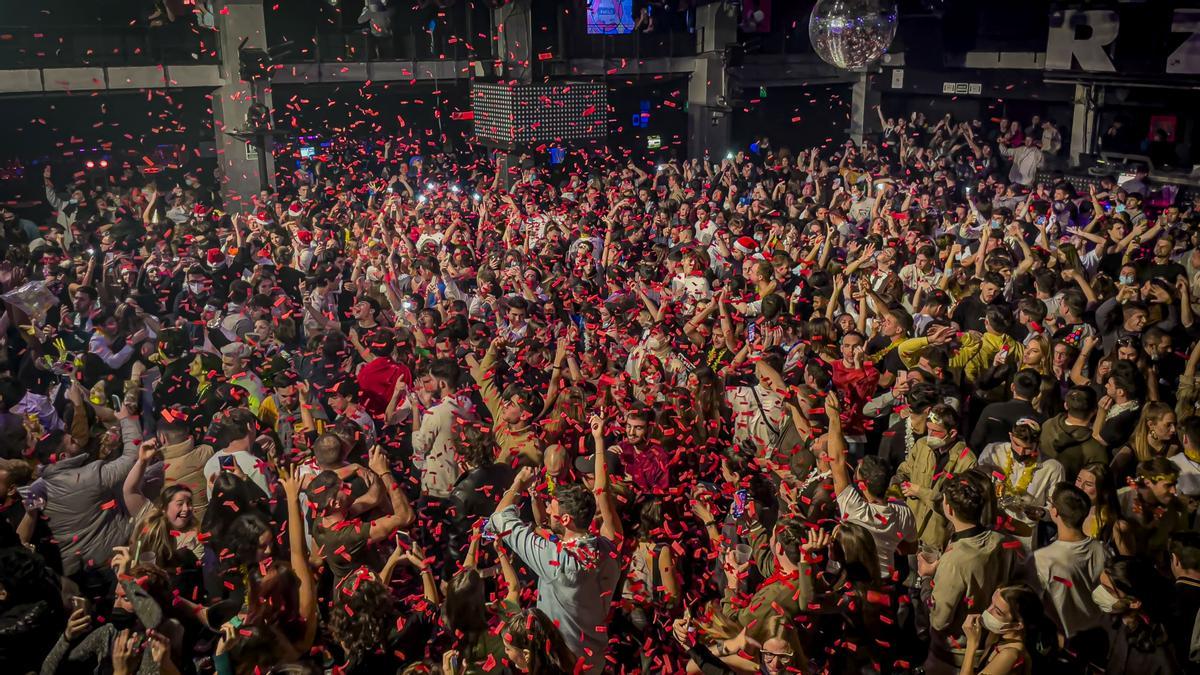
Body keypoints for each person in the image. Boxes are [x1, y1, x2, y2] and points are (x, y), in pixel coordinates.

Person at [489, 467, 619, 673]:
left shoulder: (558, 561)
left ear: (566, 519)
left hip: (563, 666)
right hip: (594, 663)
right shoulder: (607, 550)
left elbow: (499, 519)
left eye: (552, 508)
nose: (547, 510)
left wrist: (518, 484)